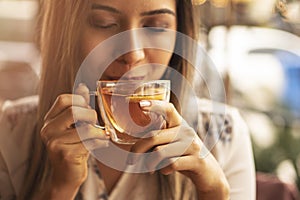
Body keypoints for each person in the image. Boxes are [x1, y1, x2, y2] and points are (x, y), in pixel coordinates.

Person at [0, 0, 256, 199]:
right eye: (104, 22)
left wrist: (214, 193)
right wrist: (59, 189)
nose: (132, 54)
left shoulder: (225, 137)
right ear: (67, 30)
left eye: (155, 26)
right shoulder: (12, 130)